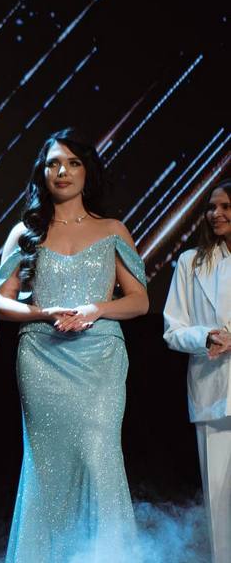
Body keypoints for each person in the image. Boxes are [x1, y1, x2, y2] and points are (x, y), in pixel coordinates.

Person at [0, 128, 149, 562]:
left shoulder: (112, 229)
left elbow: (139, 301)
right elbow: (0, 302)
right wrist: (43, 312)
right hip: (42, 357)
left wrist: (96, 308)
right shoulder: (25, 232)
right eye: (53, 164)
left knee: (99, 456)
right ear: (42, 174)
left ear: (87, 171)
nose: (62, 171)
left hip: (99, 358)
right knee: (47, 467)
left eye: (73, 163)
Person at [163, 179, 231, 563]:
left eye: (226, 207)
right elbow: (173, 330)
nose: (215, 214)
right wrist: (205, 336)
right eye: (211, 207)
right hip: (213, 392)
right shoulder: (192, 263)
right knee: (219, 504)